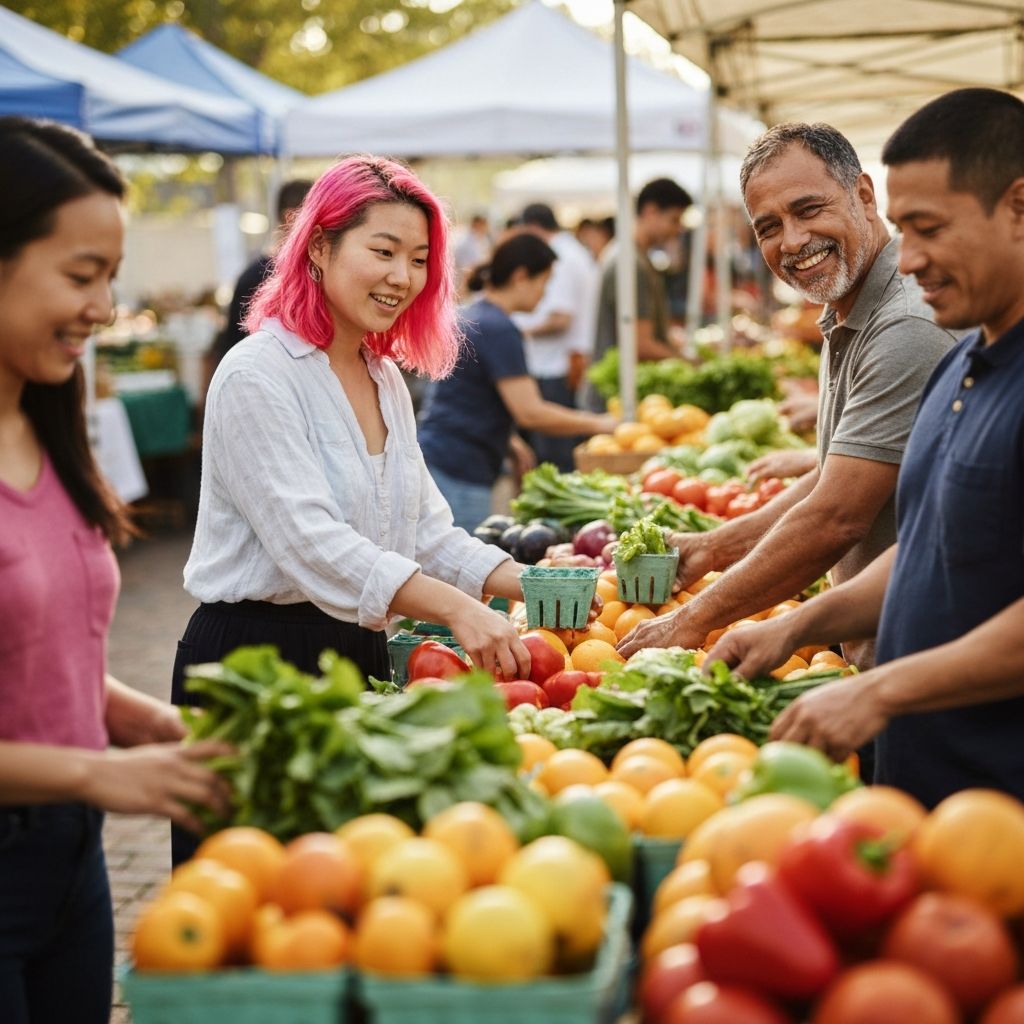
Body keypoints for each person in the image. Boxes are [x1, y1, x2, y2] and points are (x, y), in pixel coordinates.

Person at [173, 157, 536, 858]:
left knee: (345, 883)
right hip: (255, 667)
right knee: (247, 890)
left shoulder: (383, 378)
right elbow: (311, 543)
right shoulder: (256, 374)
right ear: (319, 246)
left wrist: (537, 583)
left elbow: (425, 532)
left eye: (420, 260)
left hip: (357, 654)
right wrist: (458, 608)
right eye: (384, 251)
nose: (403, 276)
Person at [708, 88, 1024, 806]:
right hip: (922, 778)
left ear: (1018, 208)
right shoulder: (962, 363)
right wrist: (797, 625)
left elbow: (842, 517)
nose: (909, 262)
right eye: (905, 231)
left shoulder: (922, 334)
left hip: (998, 801)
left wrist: (882, 690)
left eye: (929, 229)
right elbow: (927, 548)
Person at [0, 116, 230, 1024]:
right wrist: (97, 774)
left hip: (70, 865)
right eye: (80, 275)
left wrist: (159, 727)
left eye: (111, 278)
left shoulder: (50, 426)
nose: (101, 308)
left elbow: (42, 660)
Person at [618, 123, 954, 673]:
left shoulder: (904, 326)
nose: (793, 241)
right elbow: (833, 479)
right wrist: (715, 547)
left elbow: (836, 517)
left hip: (924, 668)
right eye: (769, 227)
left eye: (809, 209)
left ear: (864, 196)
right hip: (886, 660)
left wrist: (693, 619)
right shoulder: (850, 309)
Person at [418, 233, 617, 531]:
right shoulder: (500, 328)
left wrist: (510, 441)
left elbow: (470, 391)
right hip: (460, 470)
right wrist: (600, 423)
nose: (545, 294)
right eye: (544, 282)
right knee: (459, 556)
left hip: (439, 457)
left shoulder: (476, 314)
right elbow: (531, 413)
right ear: (521, 276)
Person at [580, 178, 693, 411]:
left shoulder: (633, 256)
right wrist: (689, 363)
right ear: (650, 211)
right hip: (614, 401)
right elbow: (641, 344)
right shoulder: (630, 263)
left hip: (619, 394)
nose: (678, 228)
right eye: (674, 219)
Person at [511, 202, 600, 471]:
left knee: (555, 456)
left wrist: (516, 329)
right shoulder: (573, 251)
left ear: (532, 227)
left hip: (555, 368)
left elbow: (560, 317)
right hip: (562, 364)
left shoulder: (559, 256)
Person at [210, 178, 313, 366]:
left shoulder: (315, 273)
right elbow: (236, 348)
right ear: (291, 217)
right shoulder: (255, 279)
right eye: (316, 217)